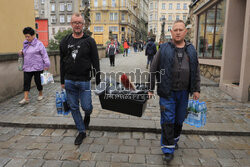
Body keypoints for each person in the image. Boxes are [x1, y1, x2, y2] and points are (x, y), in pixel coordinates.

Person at [148, 20, 200, 162]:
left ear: (185, 32)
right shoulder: (163, 48)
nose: (177, 32)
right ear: (171, 32)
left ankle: (174, 140)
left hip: (184, 92)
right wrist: (150, 88)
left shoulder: (191, 50)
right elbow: (153, 69)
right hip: (167, 91)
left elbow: (196, 70)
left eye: (180, 30)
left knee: (179, 119)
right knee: (168, 119)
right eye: (175, 30)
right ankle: (167, 149)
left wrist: (196, 89)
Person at [60, 13, 100, 145]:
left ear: (83, 24)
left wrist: (98, 79)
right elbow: (62, 62)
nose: (77, 25)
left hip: (84, 81)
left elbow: (95, 62)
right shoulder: (65, 41)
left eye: (79, 22)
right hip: (69, 80)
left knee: (86, 106)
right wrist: (62, 81)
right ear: (71, 24)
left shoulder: (90, 41)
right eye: (75, 22)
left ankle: (87, 115)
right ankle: (81, 131)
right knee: (73, 107)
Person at [18, 27, 50, 105]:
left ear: (33, 36)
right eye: (25, 36)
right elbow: (26, 52)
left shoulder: (39, 44)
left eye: (28, 36)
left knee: (38, 82)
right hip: (27, 66)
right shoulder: (25, 43)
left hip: (37, 67)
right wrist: (21, 51)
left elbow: (44, 55)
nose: (27, 38)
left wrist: (47, 64)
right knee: (26, 82)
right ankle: (26, 98)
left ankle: (40, 93)